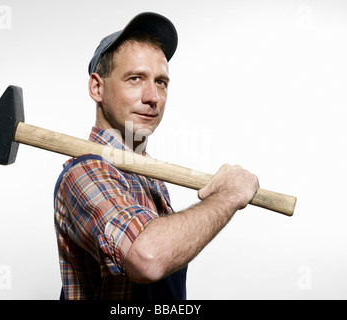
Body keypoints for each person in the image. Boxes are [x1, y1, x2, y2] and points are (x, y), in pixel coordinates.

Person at [54, 12, 259, 300]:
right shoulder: (85, 171)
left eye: (161, 82)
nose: (153, 97)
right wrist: (227, 197)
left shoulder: (148, 178)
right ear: (97, 87)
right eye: (135, 78)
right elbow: (147, 258)